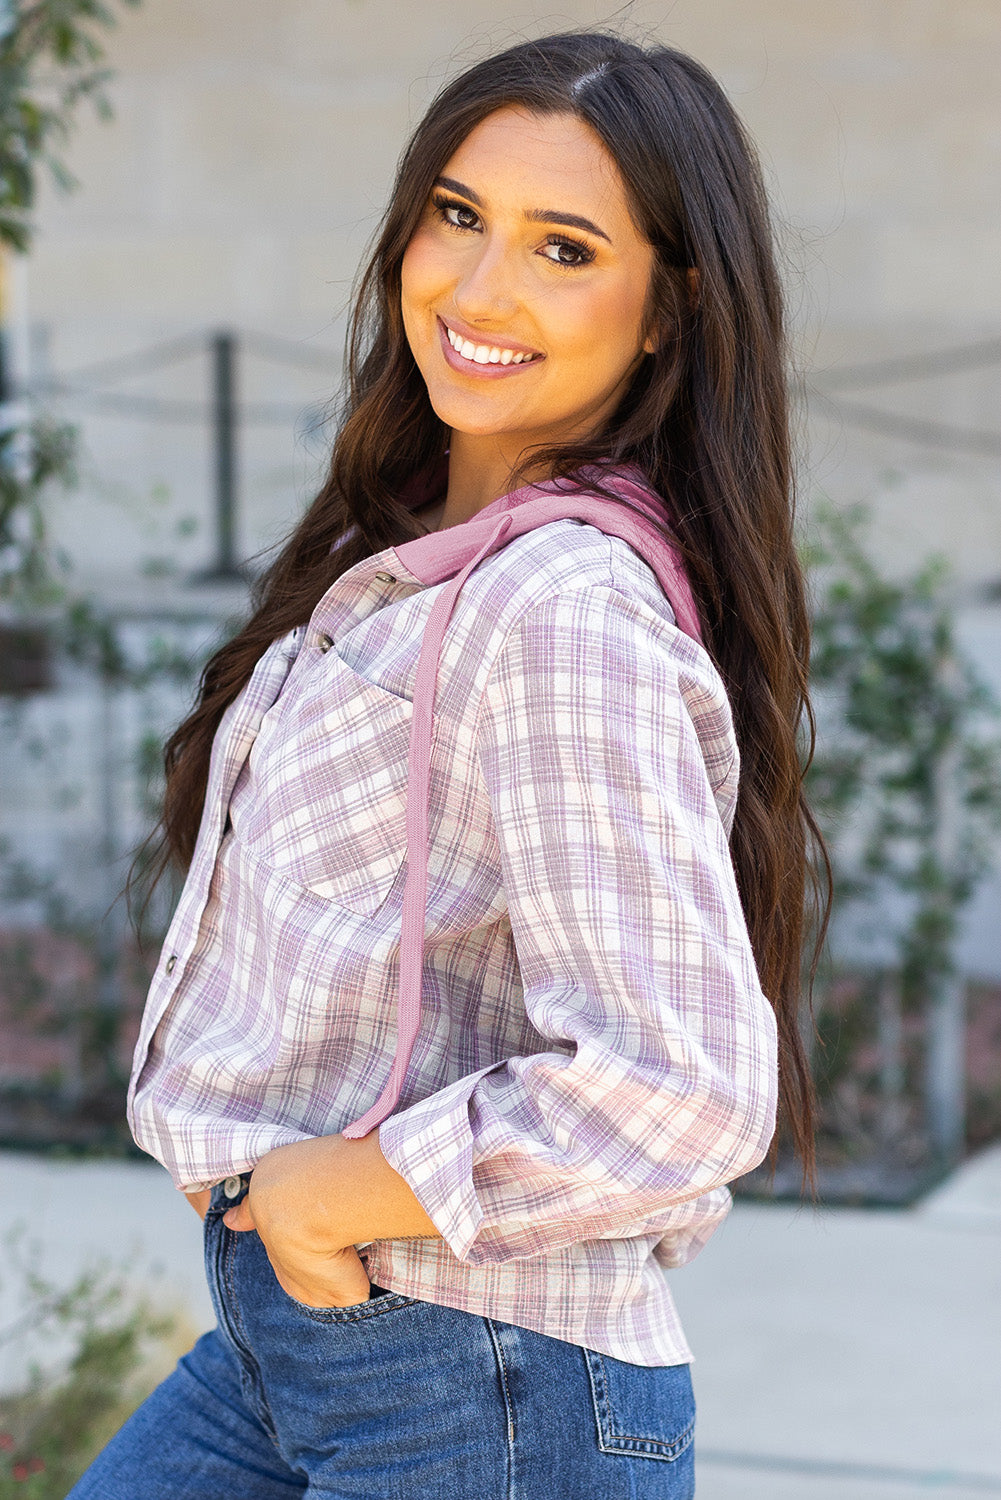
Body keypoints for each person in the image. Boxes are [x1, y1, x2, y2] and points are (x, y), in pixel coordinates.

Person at [70, 29, 825, 1499]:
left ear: (668, 310)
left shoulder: (556, 610)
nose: (479, 291)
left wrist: (336, 1194)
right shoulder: (411, 556)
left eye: (562, 248)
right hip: (313, 1338)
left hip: (479, 1375)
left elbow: (685, 1085)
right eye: (457, 216)